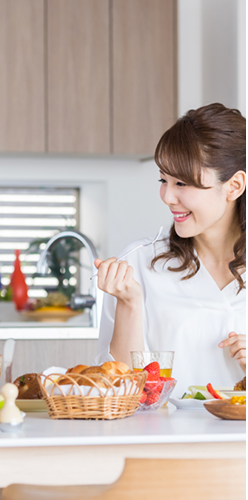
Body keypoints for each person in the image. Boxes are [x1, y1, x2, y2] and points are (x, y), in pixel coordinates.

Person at [94, 103, 246, 396]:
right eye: (163, 180)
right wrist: (129, 304)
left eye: (183, 183)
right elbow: (119, 390)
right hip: (163, 441)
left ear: (234, 185)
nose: (167, 196)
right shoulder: (138, 263)